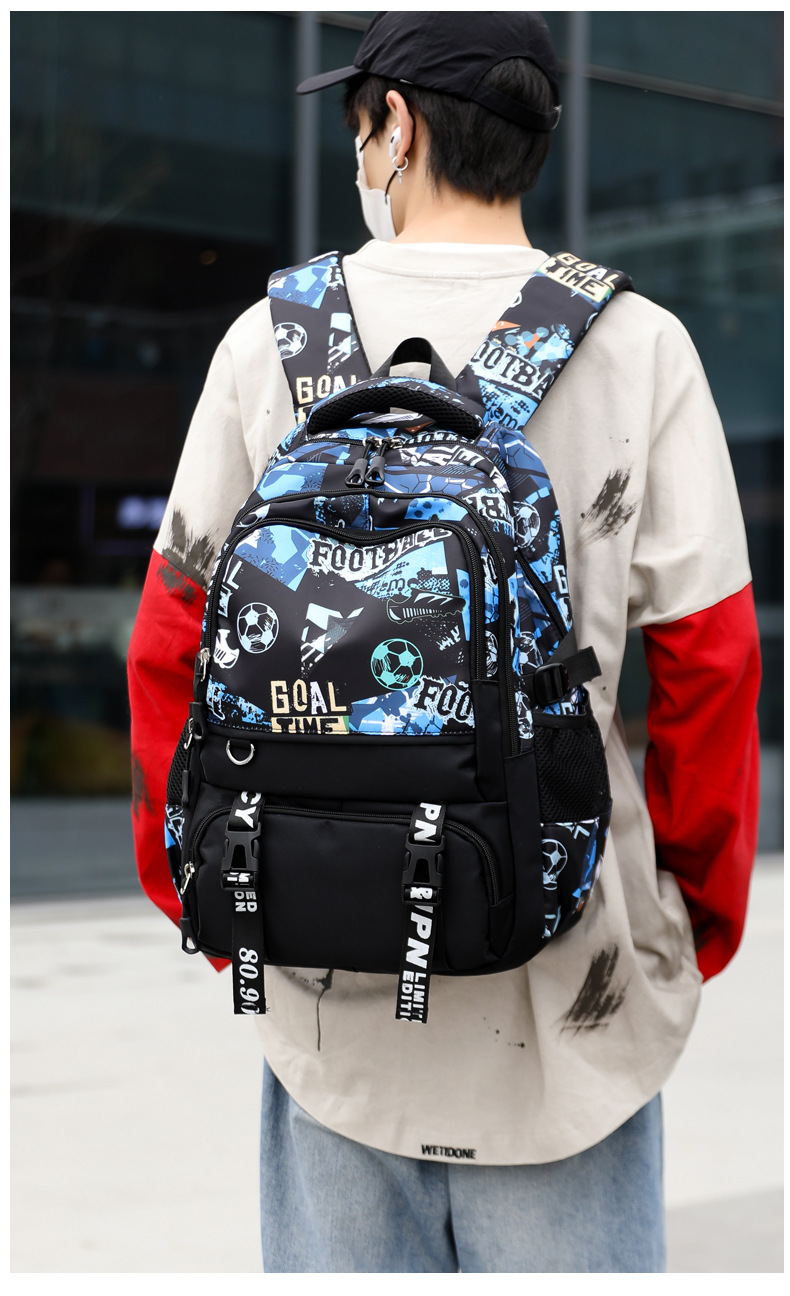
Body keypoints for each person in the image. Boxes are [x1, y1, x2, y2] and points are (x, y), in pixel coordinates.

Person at [127, 12, 761, 1274]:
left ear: (398, 129)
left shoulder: (275, 339)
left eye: (360, 126)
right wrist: (684, 924)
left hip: (320, 973)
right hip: (568, 982)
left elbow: (170, 639)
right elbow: (712, 662)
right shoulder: (639, 346)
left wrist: (205, 886)